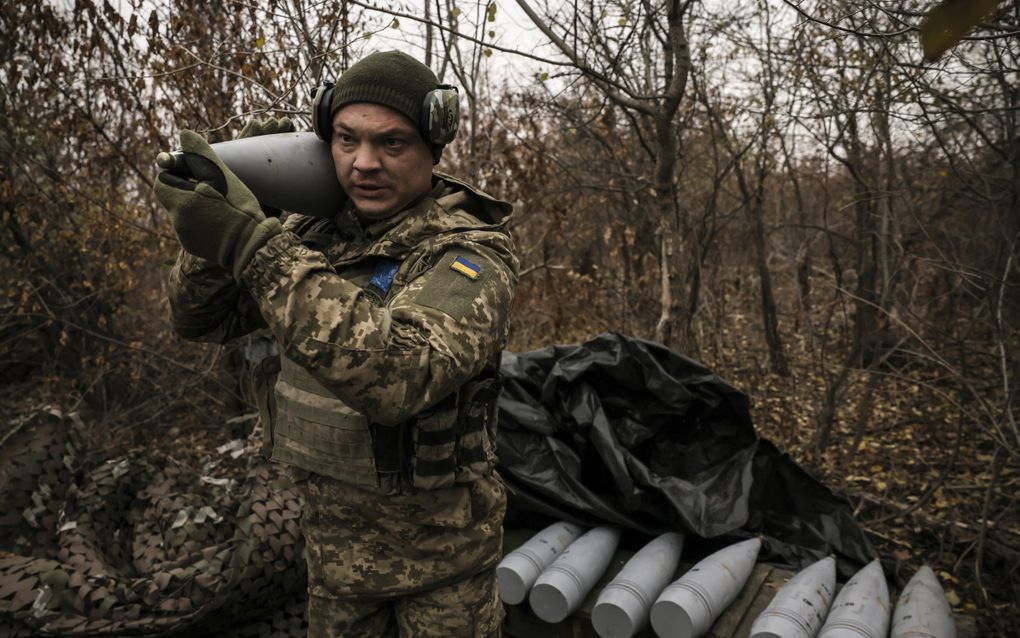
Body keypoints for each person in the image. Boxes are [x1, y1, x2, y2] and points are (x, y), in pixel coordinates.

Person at [154, 50, 518, 637]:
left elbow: (403, 375)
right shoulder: (311, 234)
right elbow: (199, 319)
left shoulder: (469, 254)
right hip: (333, 561)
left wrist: (255, 244)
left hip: (442, 572)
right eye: (346, 140)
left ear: (433, 149)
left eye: (391, 144)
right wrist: (232, 227)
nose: (364, 163)